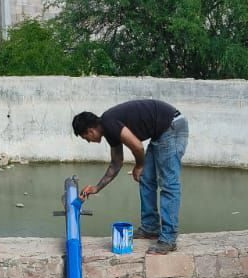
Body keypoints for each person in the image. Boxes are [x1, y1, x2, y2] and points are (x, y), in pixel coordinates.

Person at [71, 99, 189, 254]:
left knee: (169, 184)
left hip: (171, 127)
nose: (88, 141)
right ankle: (150, 227)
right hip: (161, 131)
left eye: (86, 138)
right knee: (146, 179)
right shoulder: (109, 130)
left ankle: (169, 238)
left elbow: (137, 146)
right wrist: (97, 188)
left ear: (90, 131)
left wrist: (139, 166)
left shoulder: (109, 123)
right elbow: (116, 163)